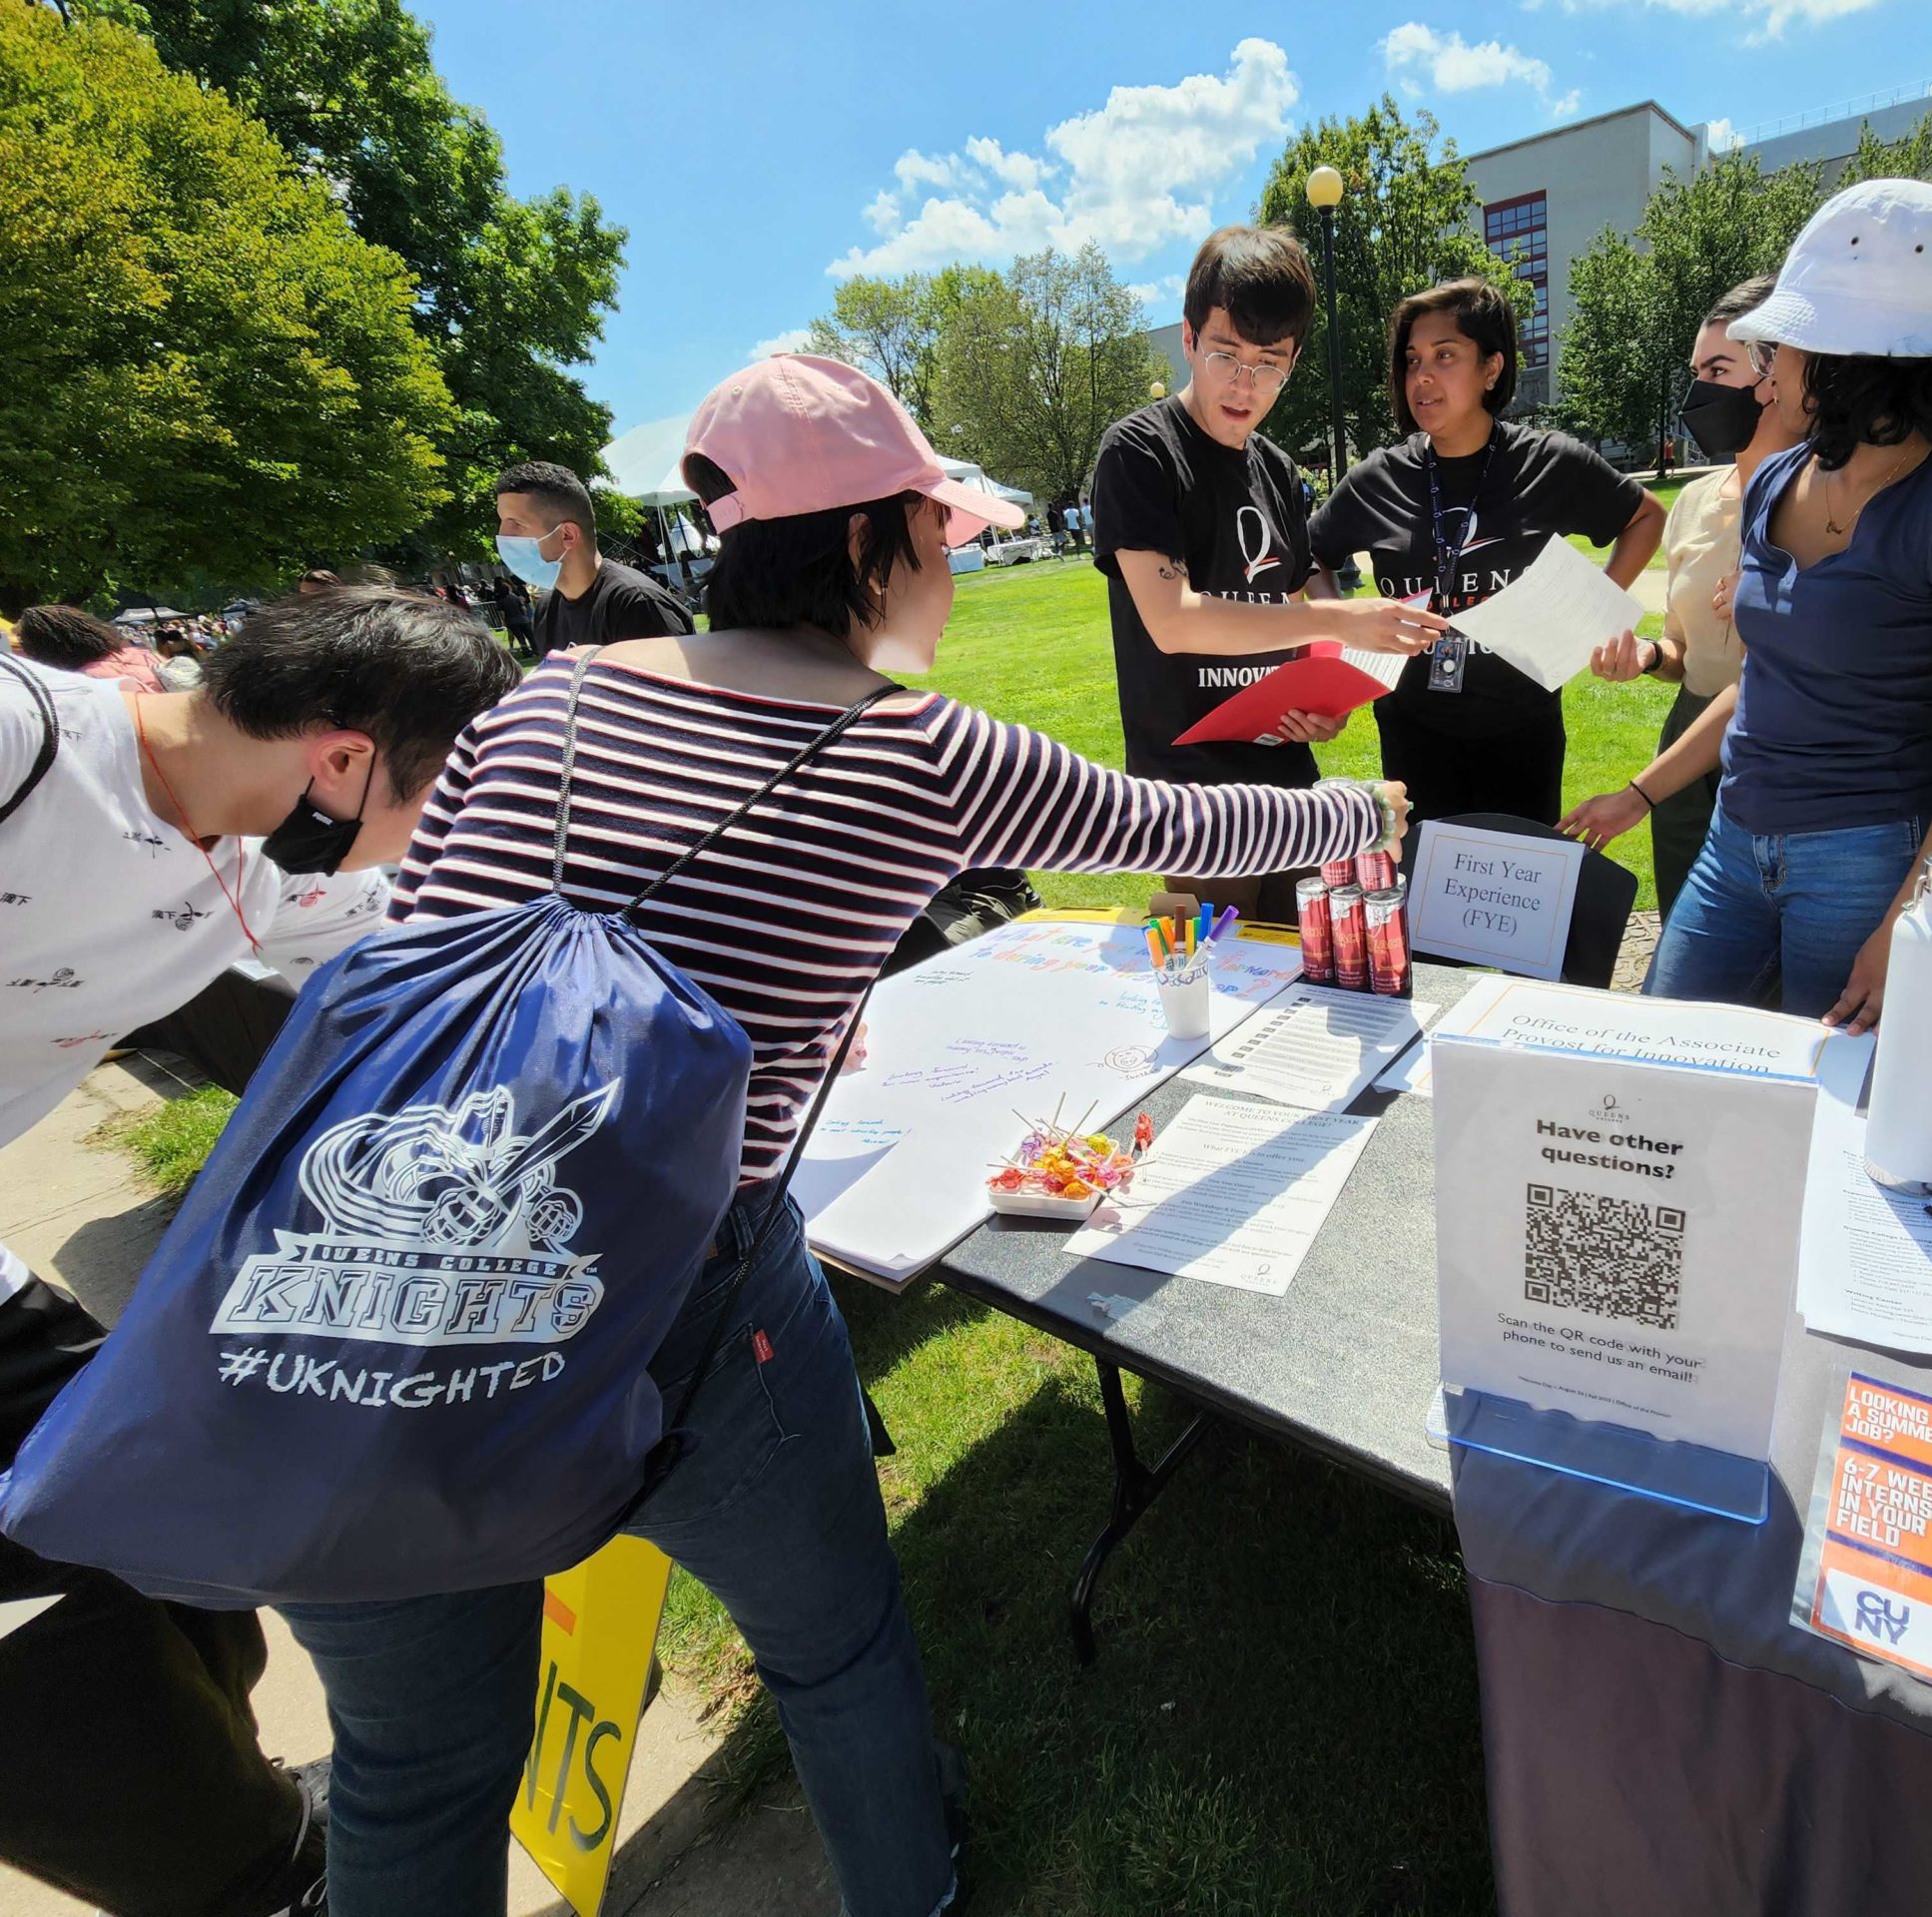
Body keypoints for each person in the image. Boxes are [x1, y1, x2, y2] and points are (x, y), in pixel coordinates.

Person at [277, 351, 1408, 1917]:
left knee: (412, 1776)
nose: (952, 568)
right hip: (679, 1296)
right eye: (937, 534)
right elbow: (1178, 825)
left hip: (373, 1293)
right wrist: (1363, 810)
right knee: (837, 1644)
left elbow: (440, 944)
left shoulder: (549, 693)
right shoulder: (915, 747)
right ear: (867, 542)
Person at [0, 586, 517, 1917]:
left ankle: (242, 1810)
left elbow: (448, 915)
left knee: (159, 1519)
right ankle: (248, 1876)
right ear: (342, 758)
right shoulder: (24, 743)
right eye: (439, 793)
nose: (434, 827)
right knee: (52, 1635)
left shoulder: (258, 865)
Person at [1635, 179, 1932, 1030]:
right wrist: (1641, 793)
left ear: (1857, 358)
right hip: (1732, 842)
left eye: (1784, 344)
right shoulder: (1776, 477)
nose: (1765, 369)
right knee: (1662, 1055)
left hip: (1866, 859)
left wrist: (1906, 921)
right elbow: (1760, 682)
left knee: (1828, 1107)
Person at [1090, 225, 1445, 920]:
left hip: (1285, 783)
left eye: (1270, 364)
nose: (1245, 385)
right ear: (1189, 340)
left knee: (1309, 977)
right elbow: (1172, 620)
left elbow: (1286, 621)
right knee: (1217, 993)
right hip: (1192, 799)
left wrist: (1324, 702)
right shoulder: (1139, 451)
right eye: (1226, 355)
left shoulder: (1279, 471)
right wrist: (1342, 615)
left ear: (1294, 361)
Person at [1308, 277, 1665, 830]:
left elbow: (1645, 517)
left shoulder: (1549, 462)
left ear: (1491, 368)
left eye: (1445, 355)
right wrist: (1339, 637)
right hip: (1413, 732)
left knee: (1514, 900)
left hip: (1521, 731)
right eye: (1411, 360)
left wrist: (1589, 611)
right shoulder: (1377, 478)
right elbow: (1311, 557)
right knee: (1423, 896)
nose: (1422, 376)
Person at [1560, 275, 1800, 911]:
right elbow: (1683, 650)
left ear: (1780, 372)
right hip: (1687, 742)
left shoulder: (1830, 502)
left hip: (1780, 757)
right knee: (1686, 938)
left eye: (1718, 368)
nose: (1700, 391)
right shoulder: (1694, 502)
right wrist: (1647, 656)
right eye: (1696, 370)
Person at [493, 459, 695, 656]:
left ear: (567, 535)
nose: (503, 536)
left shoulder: (638, 605)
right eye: (502, 522)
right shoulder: (547, 610)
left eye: (516, 524)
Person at [9, 602, 163, 689]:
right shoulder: (144, 655)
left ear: (47, 645)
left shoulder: (85, 682)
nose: (22, 650)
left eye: (24, 643)